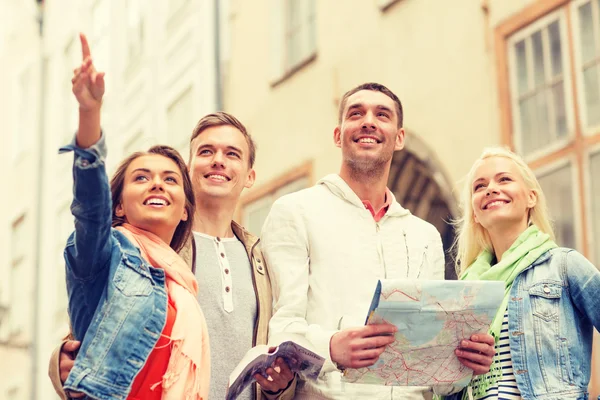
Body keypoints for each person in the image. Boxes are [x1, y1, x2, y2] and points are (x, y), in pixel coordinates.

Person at [49, 69, 296, 398]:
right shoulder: (140, 247)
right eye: (206, 152)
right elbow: (96, 319)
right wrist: (61, 361)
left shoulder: (262, 258)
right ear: (191, 171)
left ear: (250, 176)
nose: (218, 161)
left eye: (232, 154)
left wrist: (281, 386)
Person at [260, 82, 496, 399]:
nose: (369, 121)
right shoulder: (294, 212)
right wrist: (331, 348)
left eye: (382, 114)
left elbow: (435, 372)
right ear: (337, 135)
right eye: (356, 113)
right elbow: (283, 328)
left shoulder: (424, 234)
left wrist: (465, 362)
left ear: (399, 138)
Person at [58, 32, 210, 399]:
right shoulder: (106, 253)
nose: (156, 185)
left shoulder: (183, 284)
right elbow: (90, 208)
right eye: (141, 178)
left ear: (185, 208)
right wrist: (89, 112)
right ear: (120, 206)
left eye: (170, 179)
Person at [443, 147, 600, 400]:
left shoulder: (564, 266)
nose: (491, 189)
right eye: (479, 186)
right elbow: (447, 385)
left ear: (531, 197)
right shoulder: (463, 291)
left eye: (504, 179)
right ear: (475, 212)